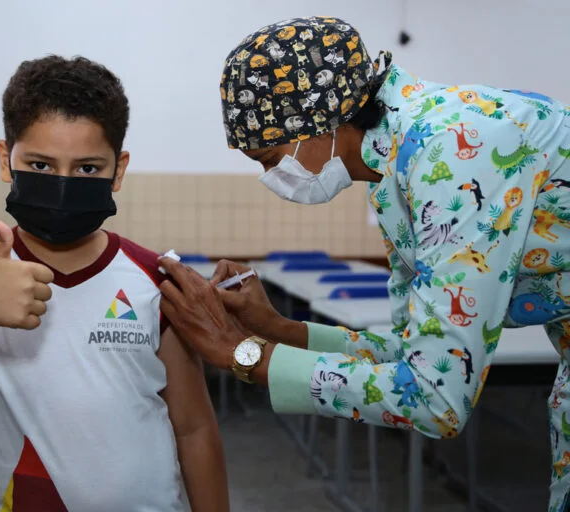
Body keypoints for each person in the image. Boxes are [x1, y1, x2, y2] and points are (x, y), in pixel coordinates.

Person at [157, 15, 570, 510]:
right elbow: (409, 353)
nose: (271, 177)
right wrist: (278, 329)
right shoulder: (393, 170)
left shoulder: (454, 150)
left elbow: (436, 397)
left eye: (269, 158)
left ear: (318, 120)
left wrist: (243, 355)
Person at [0, 55, 229, 512]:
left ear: (118, 170)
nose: (62, 184)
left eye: (87, 169)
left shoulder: (154, 279)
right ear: (6, 159)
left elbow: (194, 427)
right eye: (39, 165)